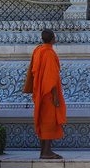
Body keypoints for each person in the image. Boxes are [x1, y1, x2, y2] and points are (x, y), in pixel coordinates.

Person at [23, 29, 66, 159]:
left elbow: (32, 71)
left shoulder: (37, 50)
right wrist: (56, 96)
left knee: (42, 121)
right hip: (48, 93)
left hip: (39, 91)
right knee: (49, 121)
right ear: (53, 38)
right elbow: (51, 77)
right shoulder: (49, 53)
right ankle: (46, 151)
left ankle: (43, 151)